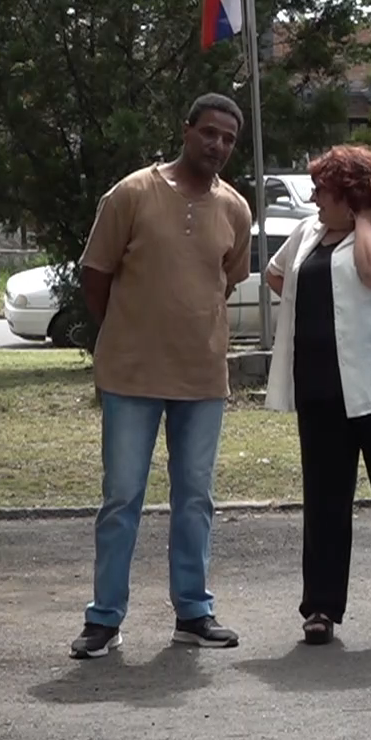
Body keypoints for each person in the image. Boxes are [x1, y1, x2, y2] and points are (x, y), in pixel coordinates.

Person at [69, 93, 253, 659]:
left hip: (201, 377)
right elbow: (96, 276)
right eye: (209, 133)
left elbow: (224, 282)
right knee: (122, 496)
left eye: (227, 139)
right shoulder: (131, 194)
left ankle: (193, 613)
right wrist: (127, 330)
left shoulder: (236, 209)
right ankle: (105, 619)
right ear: (186, 130)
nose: (217, 145)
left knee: (195, 497)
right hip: (131, 373)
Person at [264, 145, 371, 646]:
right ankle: (320, 607)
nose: (313, 198)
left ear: (351, 195)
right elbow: (276, 273)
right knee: (324, 503)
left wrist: (363, 223)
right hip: (319, 389)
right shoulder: (308, 232)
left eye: (322, 190)